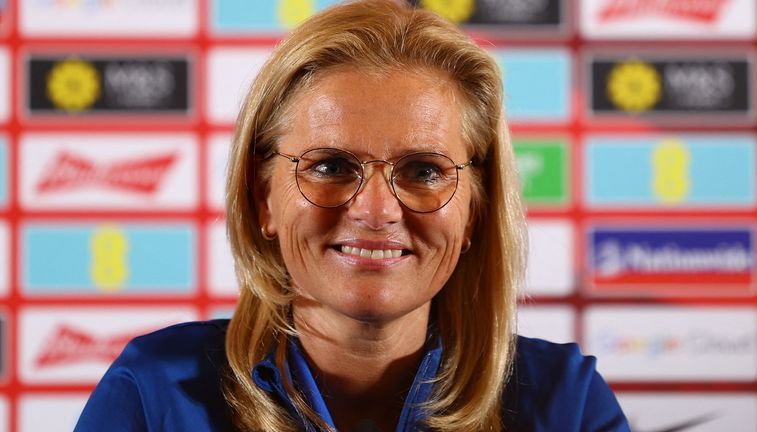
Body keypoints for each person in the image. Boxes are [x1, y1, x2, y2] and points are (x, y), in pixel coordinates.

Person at [74, 1, 630, 431]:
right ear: (262, 197)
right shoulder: (154, 393)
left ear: (476, 212)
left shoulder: (564, 402)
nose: (376, 209)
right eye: (331, 165)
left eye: (425, 171)